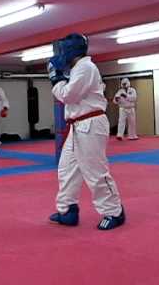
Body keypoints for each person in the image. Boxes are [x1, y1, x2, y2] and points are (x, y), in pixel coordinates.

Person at [47, 33, 125, 230]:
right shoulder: (76, 69)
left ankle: (114, 211)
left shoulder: (85, 67)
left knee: (95, 171)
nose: (60, 54)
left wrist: (55, 79)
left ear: (70, 51)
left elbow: (68, 95)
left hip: (90, 124)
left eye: (63, 50)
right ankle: (67, 210)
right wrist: (62, 77)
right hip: (78, 125)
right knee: (66, 169)